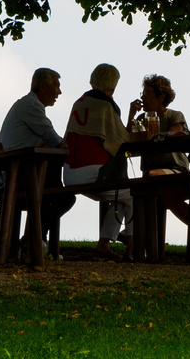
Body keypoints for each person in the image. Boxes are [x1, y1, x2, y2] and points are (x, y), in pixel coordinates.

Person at [0, 67, 76, 261]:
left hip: (9, 174)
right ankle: (35, 242)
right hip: (9, 178)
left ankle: (33, 240)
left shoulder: (26, 106)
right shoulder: (32, 106)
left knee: (55, 194)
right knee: (62, 197)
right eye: (57, 86)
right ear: (43, 86)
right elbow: (54, 140)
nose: (59, 92)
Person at [133, 74, 190, 249]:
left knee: (151, 181)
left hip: (175, 168)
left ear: (161, 96)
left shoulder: (175, 116)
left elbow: (171, 140)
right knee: (149, 186)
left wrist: (148, 134)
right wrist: (131, 114)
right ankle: (139, 240)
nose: (143, 97)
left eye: (148, 93)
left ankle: (137, 238)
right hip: (153, 170)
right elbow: (130, 139)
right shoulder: (142, 118)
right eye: (143, 93)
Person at [63, 63, 134, 259]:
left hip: (69, 174)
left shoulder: (79, 102)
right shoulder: (106, 105)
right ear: (113, 83)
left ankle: (103, 245)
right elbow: (121, 140)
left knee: (120, 198)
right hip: (93, 175)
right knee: (134, 194)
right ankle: (134, 246)